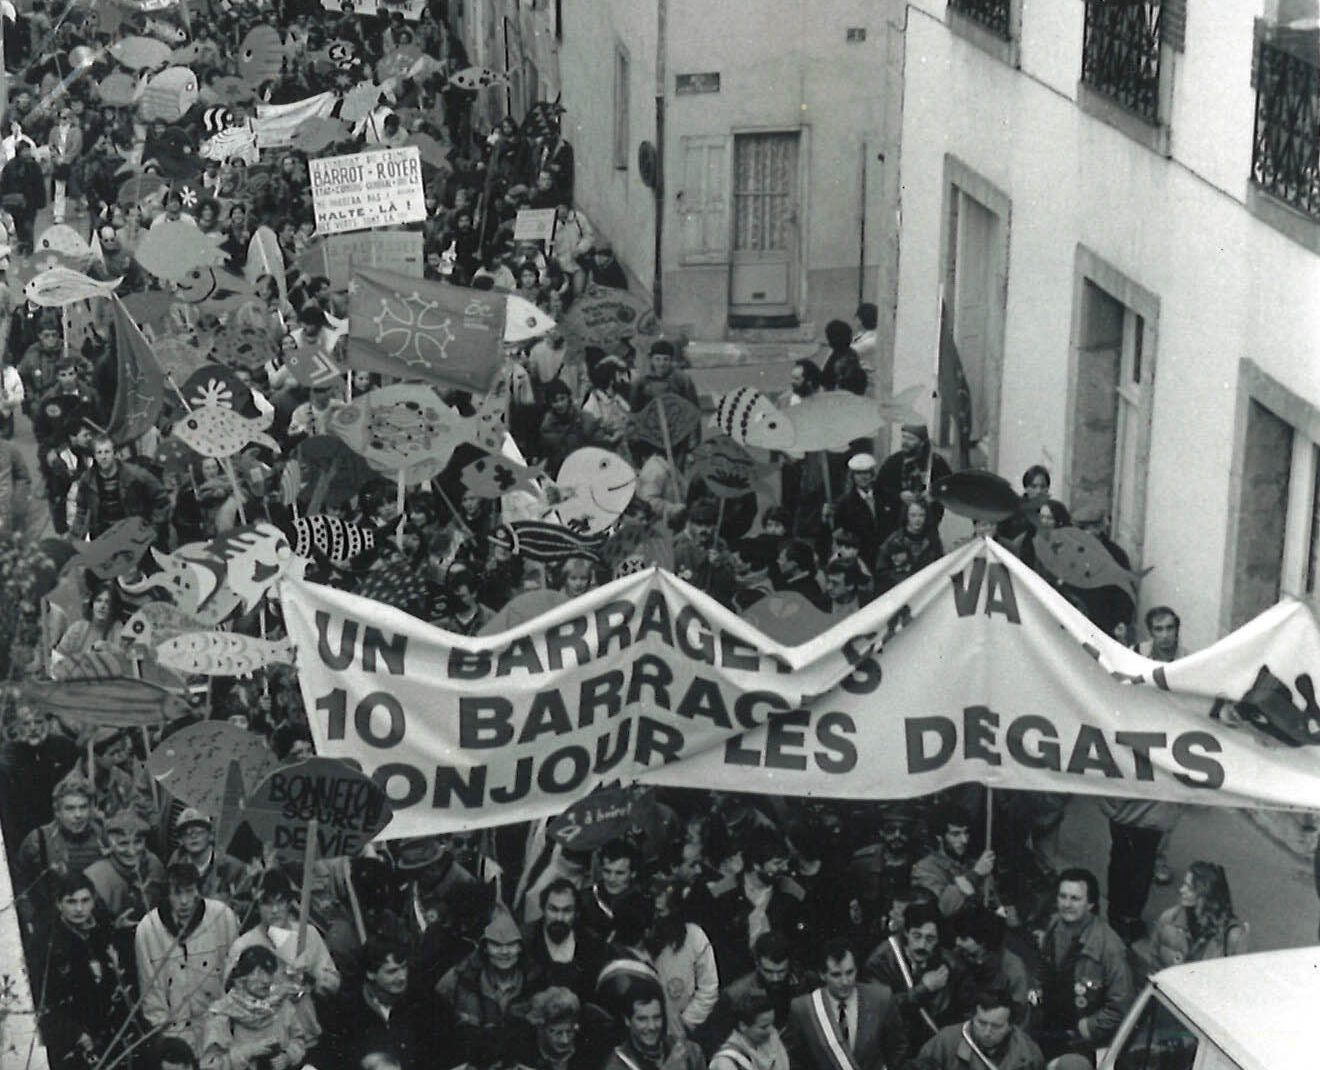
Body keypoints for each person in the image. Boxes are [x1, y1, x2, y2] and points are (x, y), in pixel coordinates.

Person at [136, 861, 241, 1057]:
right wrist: (167, 1038)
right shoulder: (148, 929)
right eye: (177, 893)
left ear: (198, 891)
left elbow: (235, 974)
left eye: (190, 891)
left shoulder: (222, 916)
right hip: (174, 1033)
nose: (184, 901)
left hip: (218, 1028)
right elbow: (150, 994)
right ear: (167, 894)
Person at [34, 872, 134, 1070]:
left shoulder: (103, 930)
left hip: (109, 1030)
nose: (79, 909)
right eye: (71, 902)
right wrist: (76, 1034)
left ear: (94, 900)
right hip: (73, 1036)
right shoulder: (48, 944)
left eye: (85, 900)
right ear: (59, 903)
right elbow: (45, 1001)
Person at [1035, 868, 1133, 1061]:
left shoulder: (1110, 949)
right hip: (1049, 1024)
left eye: (1075, 898)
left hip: (1080, 1043)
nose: (1066, 904)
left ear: (1090, 904)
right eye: (1062, 896)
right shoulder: (1054, 925)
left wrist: (1087, 1028)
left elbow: (1121, 1005)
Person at [434, 903, 545, 1062]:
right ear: (484, 947)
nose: (504, 952)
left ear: (521, 948)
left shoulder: (535, 982)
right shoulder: (459, 977)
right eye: (496, 945)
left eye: (511, 944)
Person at [784, 937, 908, 1070]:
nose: (845, 982)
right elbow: (795, 1059)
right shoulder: (803, 1008)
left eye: (850, 972)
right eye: (836, 975)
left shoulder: (881, 998)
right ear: (822, 975)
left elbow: (898, 1047)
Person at [864, 900, 964, 1054]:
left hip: (935, 1048)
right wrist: (923, 990)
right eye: (917, 936)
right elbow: (879, 1010)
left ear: (938, 940)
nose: (922, 945)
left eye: (930, 939)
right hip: (894, 1047)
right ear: (906, 933)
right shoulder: (881, 961)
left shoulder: (950, 964)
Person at [16, 777, 105, 939]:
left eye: (83, 807)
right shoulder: (38, 840)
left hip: (95, 925)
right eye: (70, 809)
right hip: (52, 929)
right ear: (57, 811)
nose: (78, 815)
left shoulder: (103, 837)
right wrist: (29, 920)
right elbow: (19, 883)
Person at [200, 945, 311, 1070]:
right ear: (242, 976)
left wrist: (288, 1057)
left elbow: (299, 1040)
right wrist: (248, 1052)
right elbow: (210, 1066)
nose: (265, 980)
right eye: (258, 972)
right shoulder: (222, 1014)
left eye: (268, 972)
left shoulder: (282, 1006)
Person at [321, 938, 426, 1070]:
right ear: (370, 973)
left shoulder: (421, 1000)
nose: (402, 977)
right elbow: (333, 1057)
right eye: (392, 971)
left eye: (404, 968)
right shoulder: (347, 1011)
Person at [914, 986, 1045, 1070]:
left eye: (996, 1026)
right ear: (972, 1018)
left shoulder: (1028, 1054)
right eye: (981, 1023)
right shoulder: (946, 1042)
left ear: (1010, 1026)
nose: (987, 1032)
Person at [70, 434, 171, 542]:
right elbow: (81, 510)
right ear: (94, 455)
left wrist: (153, 528)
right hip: (104, 536)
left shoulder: (135, 475)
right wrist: (74, 539)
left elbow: (161, 498)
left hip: (134, 535)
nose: (103, 457)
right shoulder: (88, 480)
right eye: (99, 453)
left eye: (107, 452)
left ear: (115, 453)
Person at [522, 879, 609, 1003]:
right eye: (553, 909)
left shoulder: (591, 943)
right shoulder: (526, 940)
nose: (559, 917)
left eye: (567, 910)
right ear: (543, 909)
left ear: (576, 913)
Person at [1149, 861, 1248, 969]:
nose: (1181, 890)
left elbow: (1236, 978)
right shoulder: (1169, 919)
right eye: (1184, 884)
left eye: (1190, 888)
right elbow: (1154, 961)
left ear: (1206, 897)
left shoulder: (1233, 936)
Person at [911, 807, 996, 918]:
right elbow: (943, 909)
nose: (964, 840)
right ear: (939, 838)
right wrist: (975, 874)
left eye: (966, 833)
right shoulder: (923, 868)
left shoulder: (975, 864)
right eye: (956, 834)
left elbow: (993, 905)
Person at [168, 808, 253, 917]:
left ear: (211, 835)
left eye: (198, 831)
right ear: (180, 840)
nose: (193, 836)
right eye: (186, 833)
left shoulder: (233, 867)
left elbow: (250, 907)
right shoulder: (176, 866)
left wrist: (226, 904)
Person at [601, 982, 705, 1070]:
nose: (652, 1026)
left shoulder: (690, 1052)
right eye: (642, 1019)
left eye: (656, 1017)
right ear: (627, 1020)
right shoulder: (616, 1064)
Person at [875, 423, 952, 538]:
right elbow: (879, 489)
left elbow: (950, 487)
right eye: (904, 437)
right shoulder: (893, 462)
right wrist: (899, 495)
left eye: (910, 439)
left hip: (927, 527)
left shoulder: (936, 463)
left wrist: (933, 494)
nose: (905, 442)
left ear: (921, 442)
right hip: (896, 527)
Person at [823, 452, 885, 569]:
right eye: (858, 473)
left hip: (885, 556)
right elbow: (840, 535)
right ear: (852, 476)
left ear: (872, 474)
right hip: (861, 559)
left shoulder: (885, 496)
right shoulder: (844, 504)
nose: (863, 477)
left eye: (866, 472)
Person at [709, 989, 790, 1070]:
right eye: (764, 1027)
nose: (771, 1030)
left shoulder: (773, 1039)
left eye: (772, 1024)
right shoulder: (726, 1062)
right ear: (743, 1026)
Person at [522, 985, 590, 1070]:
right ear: (541, 1030)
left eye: (569, 1031)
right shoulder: (525, 1057)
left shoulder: (587, 1054)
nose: (565, 1040)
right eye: (557, 1033)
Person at [630, 339, 699, 413]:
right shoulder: (642, 381)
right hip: (650, 420)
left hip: (677, 420)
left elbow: (693, 409)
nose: (661, 364)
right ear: (651, 360)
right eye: (657, 359)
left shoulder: (682, 380)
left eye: (666, 359)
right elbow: (635, 411)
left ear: (671, 360)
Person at [774, 538, 830, 613]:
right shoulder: (788, 579)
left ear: (794, 564)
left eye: (781, 559)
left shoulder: (806, 589)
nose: (778, 562)